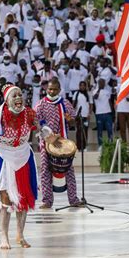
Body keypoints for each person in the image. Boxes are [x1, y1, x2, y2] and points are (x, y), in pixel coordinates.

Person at [0, 83, 40, 249]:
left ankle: (20, 234)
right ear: (7, 100)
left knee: (23, 197)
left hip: (23, 154)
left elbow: (40, 129)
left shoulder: (29, 113)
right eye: (15, 95)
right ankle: (4, 237)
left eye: (20, 94)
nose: (18, 97)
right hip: (3, 155)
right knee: (5, 197)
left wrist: (48, 137)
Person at [35, 78, 81, 209]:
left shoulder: (65, 103)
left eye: (55, 89)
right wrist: (47, 135)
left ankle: (73, 199)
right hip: (46, 143)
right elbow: (36, 123)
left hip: (63, 144)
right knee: (45, 170)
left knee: (69, 170)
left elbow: (73, 122)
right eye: (50, 89)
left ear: (59, 90)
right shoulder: (40, 105)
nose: (52, 91)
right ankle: (47, 200)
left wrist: (70, 120)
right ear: (46, 89)